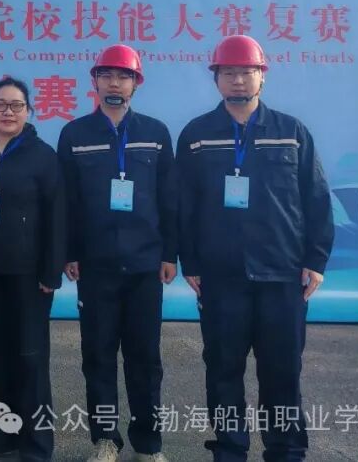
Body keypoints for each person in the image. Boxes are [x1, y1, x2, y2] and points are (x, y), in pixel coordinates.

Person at [177, 35, 334, 462]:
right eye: (228, 72)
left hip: (281, 274)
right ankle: (229, 450)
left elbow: (317, 198)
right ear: (216, 78)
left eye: (247, 71)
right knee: (223, 370)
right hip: (221, 276)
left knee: (282, 373)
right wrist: (190, 261)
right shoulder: (196, 136)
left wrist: (315, 260)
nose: (238, 80)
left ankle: (286, 451)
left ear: (262, 76)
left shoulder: (291, 133)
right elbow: (184, 204)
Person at [57, 45, 177, 462]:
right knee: (98, 356)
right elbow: (67, 201)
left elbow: (169, 198)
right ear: (94, 81)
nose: (114, 83)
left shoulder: (156, 133)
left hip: (145, 265)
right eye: (106, 75)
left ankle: (148, 444)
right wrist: (70, 252)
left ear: (136, 83)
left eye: (123, 76)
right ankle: (105, 440)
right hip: (96, 266)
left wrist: (169, 253)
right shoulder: (75, 134)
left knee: (145, 359)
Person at [0, 76, 66, 462]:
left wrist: (50, 272)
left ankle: (36, 443)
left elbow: (57, 216)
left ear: (29, 111)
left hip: (30, 276)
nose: (8, 112)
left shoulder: (43, 156)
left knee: (30, 357)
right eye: (1, 105)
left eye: (16, 105)